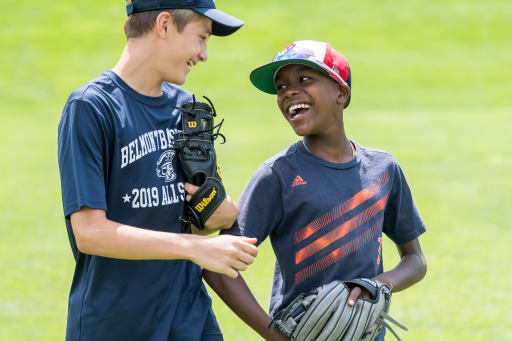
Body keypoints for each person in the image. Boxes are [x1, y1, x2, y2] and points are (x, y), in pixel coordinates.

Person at [57, 1, 258, 340]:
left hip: (188, 319)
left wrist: (216, 204)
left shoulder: (186, 108)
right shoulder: (91, 108)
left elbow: (216, 217)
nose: (204, 54)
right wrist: (193, 248)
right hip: (116, 324)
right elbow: (90, 233)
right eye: (201, 37)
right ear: (164, 25)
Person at [203, 40, 428, 341]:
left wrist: (380, 284)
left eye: (304, 79)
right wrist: (276, 335)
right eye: (281, 86)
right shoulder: (278, 175)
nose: (289, 92)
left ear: (341, 92)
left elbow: (415, 261)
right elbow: (217, 268)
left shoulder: (383, 169)